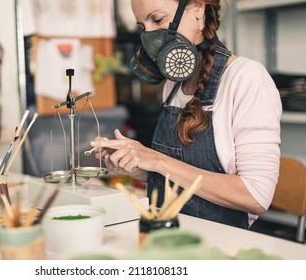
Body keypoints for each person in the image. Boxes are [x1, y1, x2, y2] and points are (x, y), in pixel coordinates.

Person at [91, 0, 282, 229]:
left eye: (158, 19)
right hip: (166, 233)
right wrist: (142, 168)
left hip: (218, 243)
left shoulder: (246, 78)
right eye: (142, 27)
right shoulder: (173, 85)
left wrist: (156, 160)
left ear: (198, 10)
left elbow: (256, 196)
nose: (150, 36)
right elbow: (179, 175)